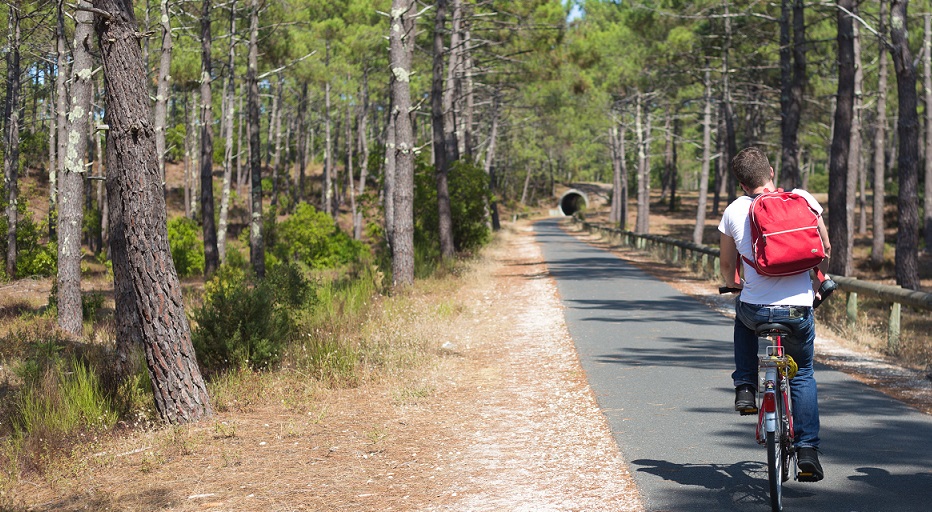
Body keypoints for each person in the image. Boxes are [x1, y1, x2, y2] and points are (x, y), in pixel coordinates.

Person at [718, 147, 831, 482]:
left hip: (756, 309)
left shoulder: (734, 210)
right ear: (771, 171)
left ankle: (745, 388)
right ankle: (807, 450)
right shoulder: (802, 198)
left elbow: (727, 265)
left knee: (742, 317)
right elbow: (823, 247)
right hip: (797, 309)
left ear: (741, 183)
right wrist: (811, 280)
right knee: (803, 373)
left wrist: (733, 285)